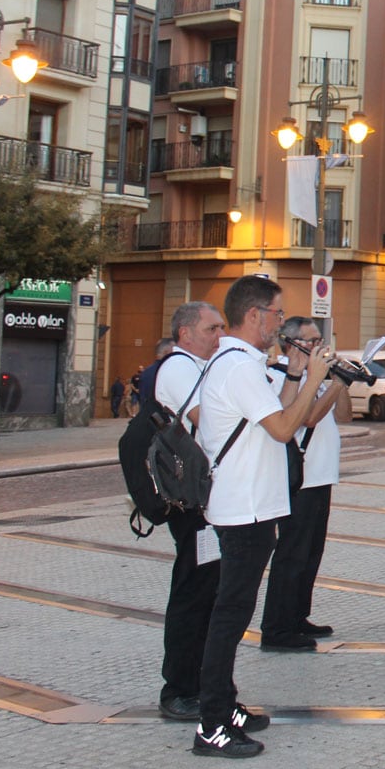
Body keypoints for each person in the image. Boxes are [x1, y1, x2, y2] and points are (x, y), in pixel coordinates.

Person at [191, 275, 334, 758]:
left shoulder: (242, 364)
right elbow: (282, 429)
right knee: (229, 617)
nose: (279, 323)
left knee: (231, 613)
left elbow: (277, 414)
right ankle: (211, 724)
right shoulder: (238, 367)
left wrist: (296, 374)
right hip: (243, 509)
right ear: (254, 315)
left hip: (251, 505)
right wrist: (316, 377)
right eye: (276, 314)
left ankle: (224, 704)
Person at [151, 302, 225, 724]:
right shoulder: (179, 369)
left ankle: (197, 680)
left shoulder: (201, 368)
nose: (219, 335)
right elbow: (208, 419)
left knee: (207, 591)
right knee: (192, 592)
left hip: (206, 497)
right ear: (185, 334)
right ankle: (178, 686)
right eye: (211, 328)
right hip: (190, 501)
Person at [259, 316, 346, 653]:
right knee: (292, 553)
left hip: (322, 475)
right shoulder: (283, 376)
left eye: (316, 340)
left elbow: (345, 415)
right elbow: (308, 417)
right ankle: (277, 628)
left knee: (311, 552)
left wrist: (339, 382)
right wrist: (334, 383)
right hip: (301, 478)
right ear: (291, 344)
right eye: (309, 341)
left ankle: (297, 615)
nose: (316, 346)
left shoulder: (316, 377)